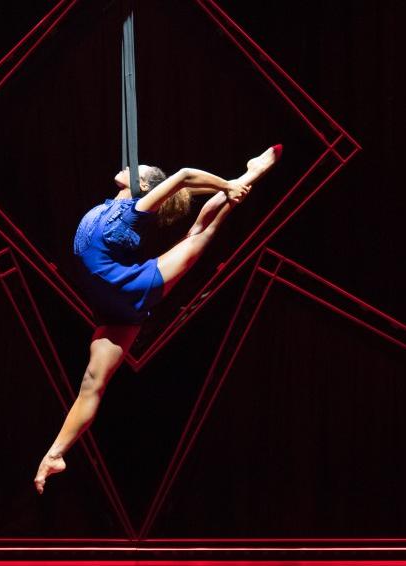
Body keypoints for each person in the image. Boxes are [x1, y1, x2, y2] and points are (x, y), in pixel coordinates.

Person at [33, 144, 283, 493]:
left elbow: (182, 178)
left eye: (140, 169)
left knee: (200, 234)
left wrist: (228, 186)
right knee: (92, 383)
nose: (130, 166)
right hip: (113, 307)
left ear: (145, 186)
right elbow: (182, 186)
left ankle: (251, 174)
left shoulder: (137, 207)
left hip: (132, 287)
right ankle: (54, 456)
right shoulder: (115, 205)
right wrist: (220, 186)